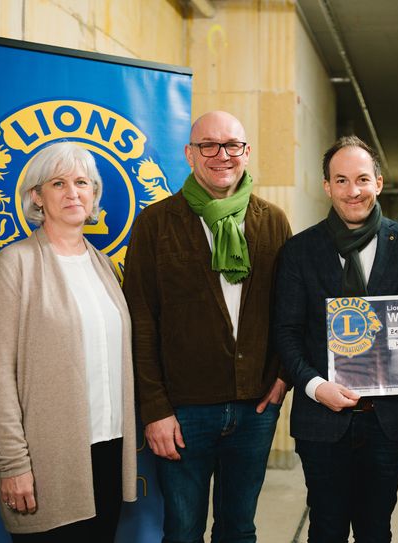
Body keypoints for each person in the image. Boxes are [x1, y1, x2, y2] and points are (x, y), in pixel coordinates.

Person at [123, 111, 291, 542]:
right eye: (208, 145)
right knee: (182, 531)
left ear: (247, 152)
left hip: (255, 407)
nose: (222, 155)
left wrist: (281, 379)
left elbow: (290, 310)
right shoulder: (155, 224)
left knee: (239, 529)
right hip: (182, 411)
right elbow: (141, 321)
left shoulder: (272, 221)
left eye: (232, 145)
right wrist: (155, 409)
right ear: (189, 154)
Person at [275, 135, 398, 542]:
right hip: (322, 420)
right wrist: (317, 388)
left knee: (376, 529)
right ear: (327, 186)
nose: (353, 191)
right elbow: (286, 332)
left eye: (362, 179)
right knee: (326, 529)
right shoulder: (299, 251)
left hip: (388, 423)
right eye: (342, 180)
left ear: (379, 183)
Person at [0, 141, 137, 541]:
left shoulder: (101, 264)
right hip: (50, 459)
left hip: (108, 450)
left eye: (82, 182)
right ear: (37, 196)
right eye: (58, 183)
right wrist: (13, 464)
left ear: (94, 195)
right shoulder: (13, 266)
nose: (72, 192)